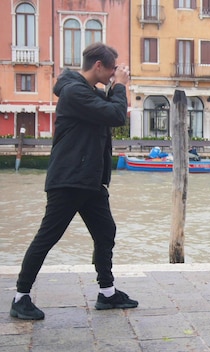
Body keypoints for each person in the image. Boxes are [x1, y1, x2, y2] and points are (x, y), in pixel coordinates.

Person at [10, 43, 138, 320]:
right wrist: (120, 87)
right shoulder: (75, 92)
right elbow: (117, 115)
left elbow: (109, 115)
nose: (116, 72)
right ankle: (21, 296)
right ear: (99, 66)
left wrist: (111, 89)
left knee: (106, 232)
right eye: (113, 68)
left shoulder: (89, 92)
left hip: (89, 180)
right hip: (69, 180)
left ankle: (107, 292)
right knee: (47, 238)